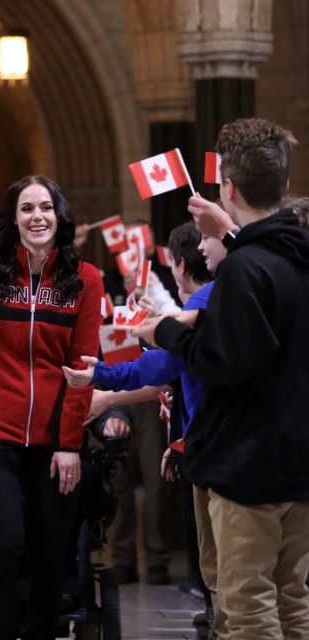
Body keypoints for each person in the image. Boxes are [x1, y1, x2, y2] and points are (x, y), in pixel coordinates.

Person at [135, 117, 309, 640]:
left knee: (246, 611)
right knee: (294, 603)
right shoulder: (297, 254)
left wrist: (166, 331)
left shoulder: (242, 268)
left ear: (227, 187)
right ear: (282, 186)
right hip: (298, 461)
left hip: (247, 466)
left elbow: (222, 362)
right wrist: (229, 232)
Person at [0, 175, 104, 640]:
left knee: (51, 550)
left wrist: (70, 443)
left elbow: (82, 369)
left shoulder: (85, 281)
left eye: (46, 208)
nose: (38, 216)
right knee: (4, 547)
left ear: (60, 216)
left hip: (57, 439)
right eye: (27, 208)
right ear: (13, 219)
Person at [64, 221, 218, 636]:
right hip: (204, 438)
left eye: (211, 239)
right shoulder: (212, 298)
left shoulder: (203, 303)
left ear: (178, 266)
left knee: (236, 576)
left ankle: (203, 598)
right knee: (229, 571)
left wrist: (106, 380)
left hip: (219, 446)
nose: (208, 247)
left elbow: (165, 362)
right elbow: (167, 364)